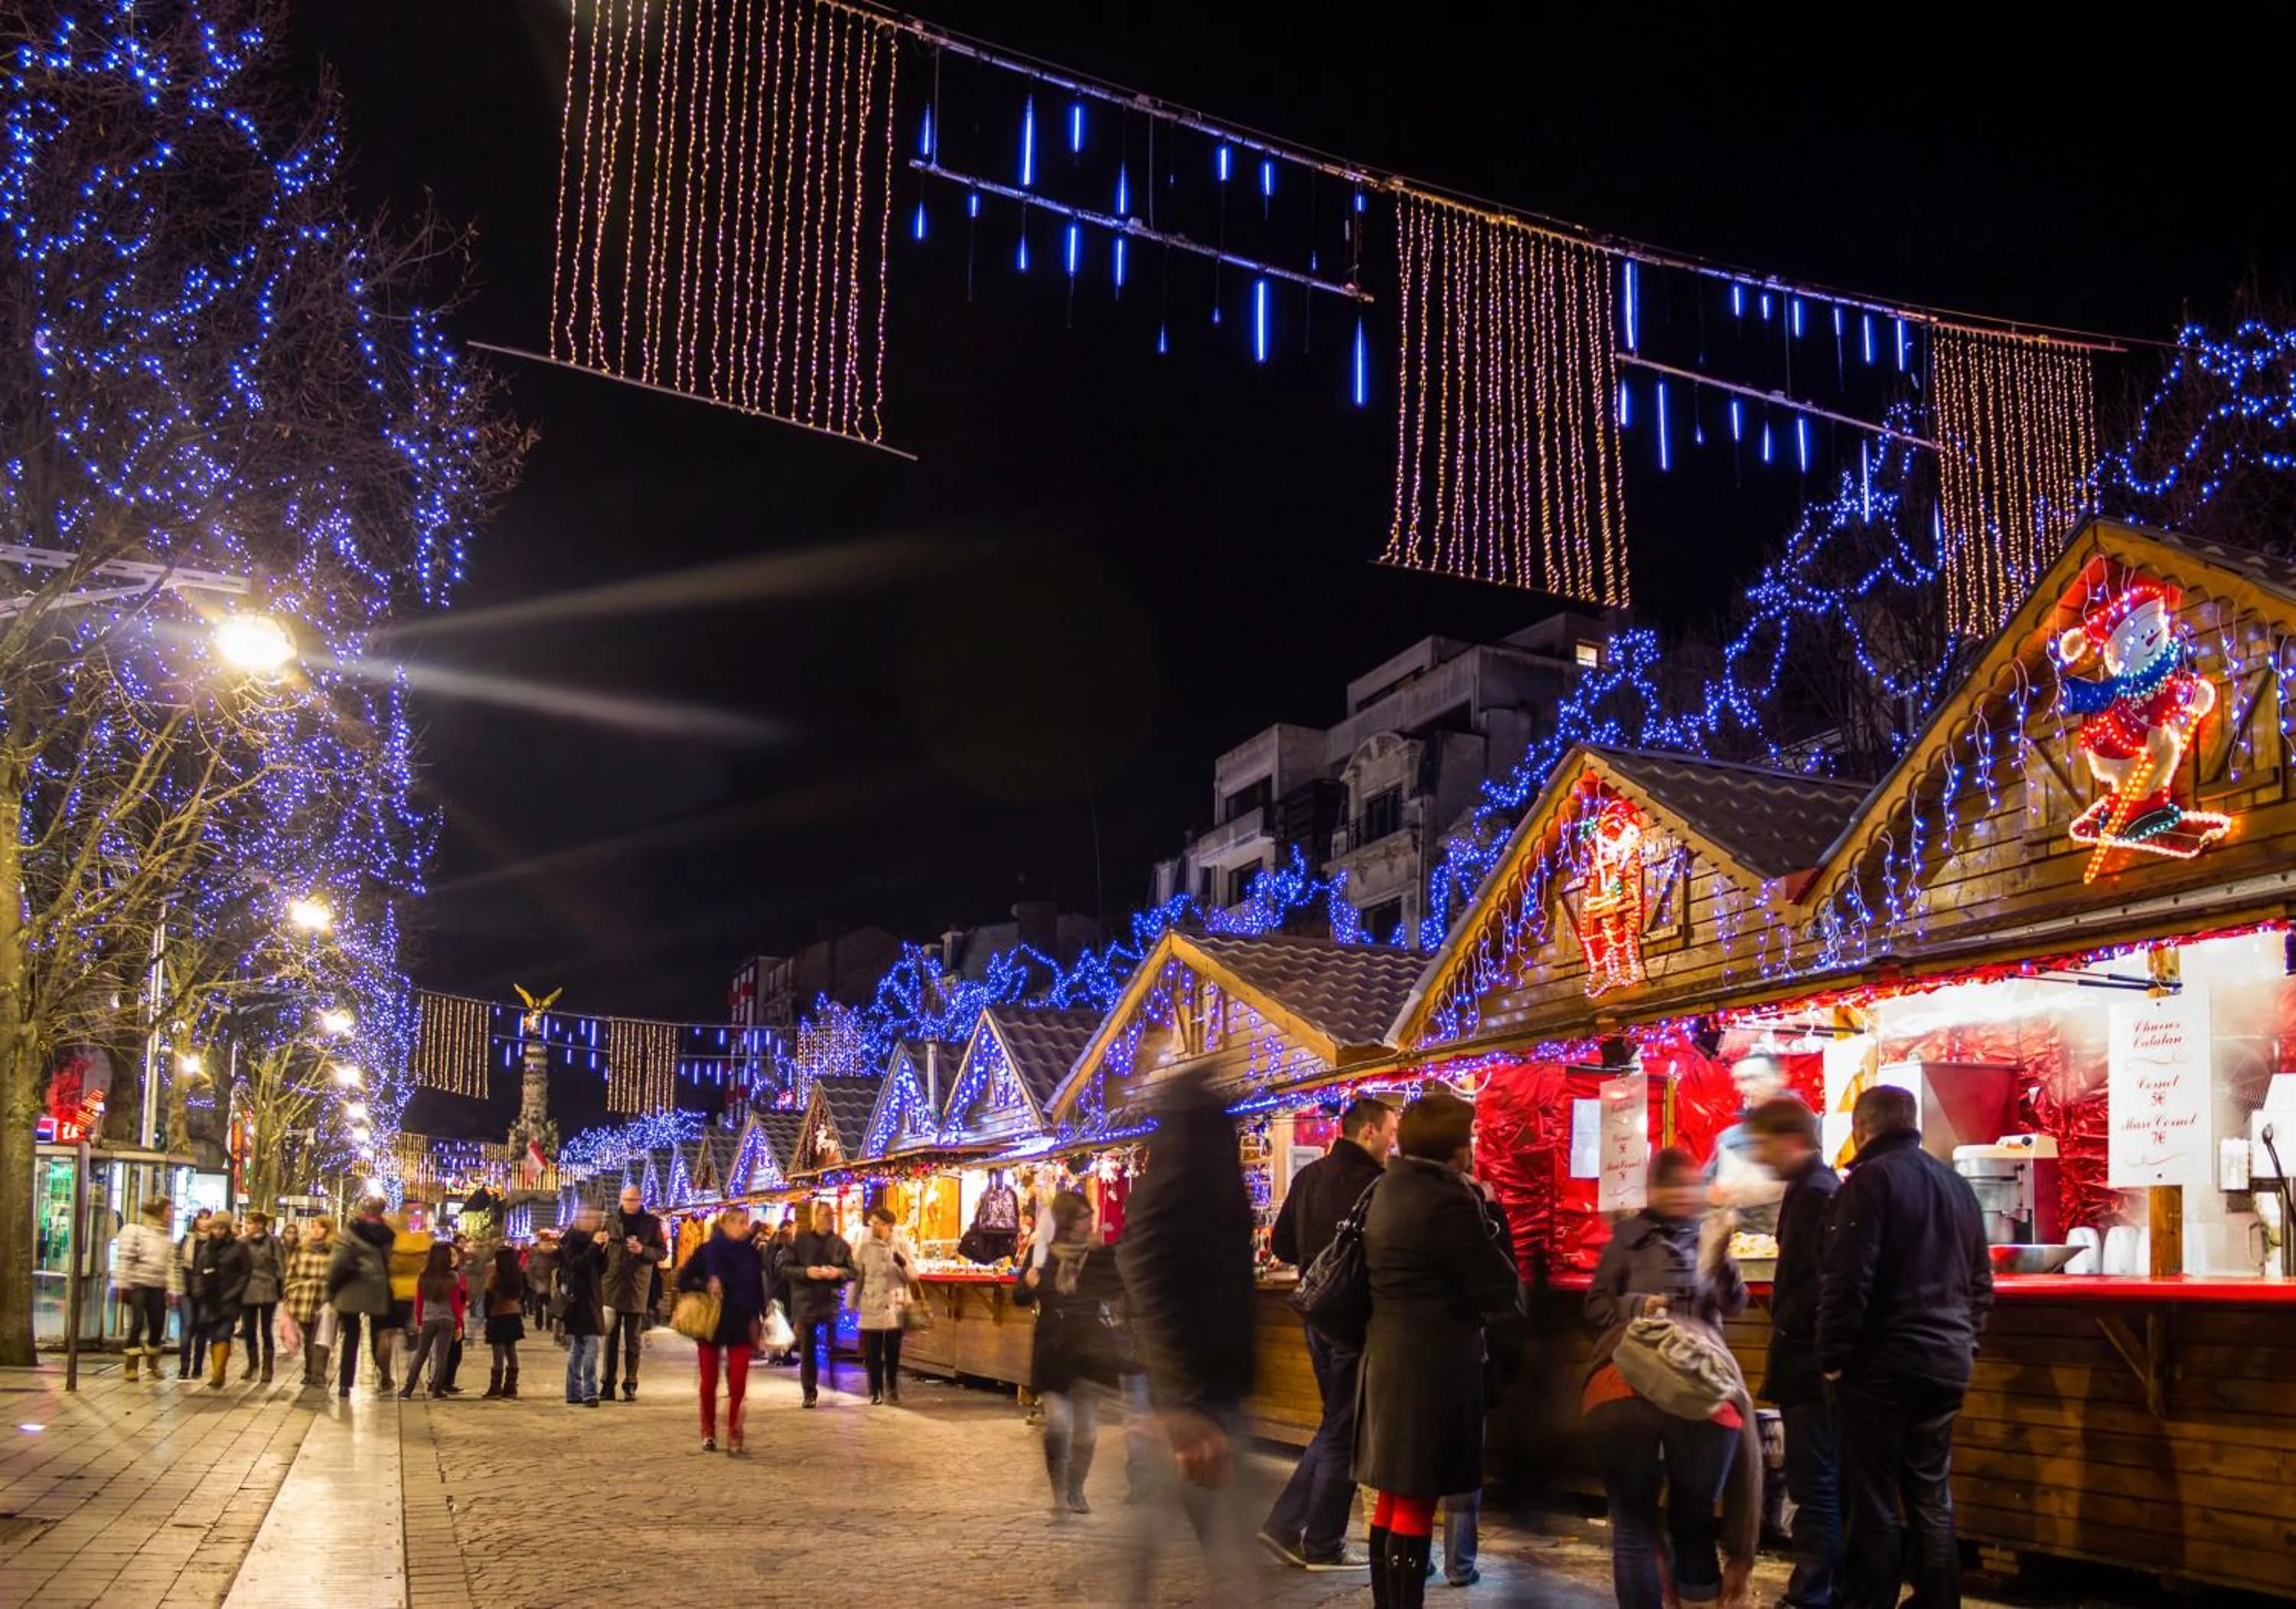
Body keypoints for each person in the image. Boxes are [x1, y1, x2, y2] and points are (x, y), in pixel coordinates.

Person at [1818, 1085, 1993, 1609]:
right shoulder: (1957, 1186)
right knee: (1930, 1494)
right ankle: (1940, 1602)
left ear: (1860, 1130)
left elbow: (1849, 1279)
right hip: (1946, 1363)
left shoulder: (1868, 1183)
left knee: (1870, 1497)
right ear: (1911, 1122)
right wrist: (1967, 1343)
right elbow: (1981, 1283)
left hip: (1882, 1365)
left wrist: (1832, 1358)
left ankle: (1867, 1601)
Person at [1355, 1092, 1523, 1609]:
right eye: (1469, 1139)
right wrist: (1490, 1212)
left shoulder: (1388, 1187)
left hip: (1388, 1356)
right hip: (1431, 1367)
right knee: (1417, 1498)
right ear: (1457, 1149)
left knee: (1393, 1497)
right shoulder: (1446, 1199)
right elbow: (1497, 1286)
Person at [1585, 1148, 1750, 1609]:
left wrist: (1721, 1259)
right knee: (1634, 1523)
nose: (1683, 1195)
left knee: (1692, 1519)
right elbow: (1596, 1307)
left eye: (1690, 1185)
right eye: (1673, 1186)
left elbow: (1734, 1305)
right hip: (1632, 1376)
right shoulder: (1626, 1239)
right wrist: (1639, 1304)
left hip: (1697, 1378)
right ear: (1654, 1190)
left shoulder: (1709, 1237)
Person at [1118, 1066, 1259, 1598]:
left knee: (1211, 1542)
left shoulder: (1190, 1180)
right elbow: (1150, 1274)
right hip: (1192, 1396)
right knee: (1220, 1542)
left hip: (1206, 1388)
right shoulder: (1182, 1182)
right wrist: (1180, 1398)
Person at [1259, 1094, 1397, 1571]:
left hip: (1315, 1315)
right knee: (1343, 1429)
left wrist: (1318, 1268)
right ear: (1368, 1132)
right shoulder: (1377, 1186)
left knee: (1335, 1423)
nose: (1392, 1143)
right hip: (1354, 1323)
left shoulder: (1308, 1176)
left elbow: (1281, 1245)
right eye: (1390, 1133)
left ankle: (1285, 1525)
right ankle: (1321, 1542)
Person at [1749, 1096, 1844, 1609]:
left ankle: (1813, 1592)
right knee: (1820, 1480)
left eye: (1763, 1143)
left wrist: (1789, 1323)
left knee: (1816, 1483)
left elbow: (1818, 1282)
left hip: (1809, 1363)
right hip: (1812, 1359)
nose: (1759, 1155)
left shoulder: (1815, 1193)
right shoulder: (1814, 1188)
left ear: (1789, 1139)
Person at [1014, 1190, 1133, 1516]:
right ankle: (1059, 1494)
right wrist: (1028, 1283)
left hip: (1089, 1347)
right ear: (1067, 1221)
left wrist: (1106, 1258)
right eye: (1083, 1217)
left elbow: (1117, 1289)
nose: (1090, 1223)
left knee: (1087, 1432)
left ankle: (1076, 1487)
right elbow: (1020, 1297)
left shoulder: (1098, 1255)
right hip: (1053, 1346)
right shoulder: (1042, 1254)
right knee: (1058, 1423)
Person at [677, 1204, 768, 1452]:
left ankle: (734, 1430)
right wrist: (706, 1283)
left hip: (741, 1320)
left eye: (744, 1221)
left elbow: (759, 1289)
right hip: (711, 1322)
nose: (741, 1226)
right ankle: (708, 1430)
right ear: (725, 1224)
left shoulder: (752, 1255)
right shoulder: (708, 1251)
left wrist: (760, 1318)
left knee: (738, 1381)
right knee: (709, 1381)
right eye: (736, 1221)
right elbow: (683, 1280)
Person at [1706, 1055, 1791, 1235]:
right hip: (1746, 1247)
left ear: (1780, 1078)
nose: (1743, 1087)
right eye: (1739, 1080)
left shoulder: (1813, 1130)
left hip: (1798, 1246)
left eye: (1753, 1078)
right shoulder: (1730, 1139)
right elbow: (1706, 1188)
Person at [599, 1184, 667, 1402]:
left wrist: (642, 1250)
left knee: (633, 1340)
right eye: (626, 1200)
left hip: (637, 1287)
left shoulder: (651, 1223)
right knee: (610, 1338)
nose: (629, 1204)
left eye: (633, 1200)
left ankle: (630, 1383)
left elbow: (662, 1252)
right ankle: (607, 1384)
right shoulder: (609, 1222)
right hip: (611, 1286)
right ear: (620, 1200)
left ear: (640, 1201)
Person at [784, 1201, 854, 1407]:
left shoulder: (840, 1243)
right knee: (808, 1349)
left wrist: (838, 1273)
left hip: (829, 1301)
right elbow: (785, 1268)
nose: (828, 1220)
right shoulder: (801, 1241)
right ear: (816, 1217)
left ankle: (833, 1380)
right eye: (824, 1216)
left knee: (833, 1346)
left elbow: (853, 1271)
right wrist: (805, 1272)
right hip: (806, 1302)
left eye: (830, 1216)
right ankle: (809, 1391)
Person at [327, 1196, 399, 1395]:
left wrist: (331, 1289)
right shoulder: (389, 1234)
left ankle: (344, 1385)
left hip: (350, 1290)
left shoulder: (350, 1230)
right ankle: (383, 1376)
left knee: (351, 1338)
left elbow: (337, 1261)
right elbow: (393, 1262)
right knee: (378, 1335)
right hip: (377, 1288)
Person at [848, 1204, 913, 1405]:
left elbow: (913, 1276)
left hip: (895, 1304)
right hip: (872, 1303)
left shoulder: (901, 1245)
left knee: (893, 1351)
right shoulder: (865, 1247)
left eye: (876, 1223)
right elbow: (857, 1276)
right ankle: (875, 1390)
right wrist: (852, 1300)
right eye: (872, 1222)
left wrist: (903, 1264)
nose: (872, 1226)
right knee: (873, 1352)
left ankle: (892, 1386)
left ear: (887, 1226)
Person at [188, 1210, 253, 1390]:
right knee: (213, 1334)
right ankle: (217, 1370)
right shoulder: (207, 1248)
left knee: (223, 1334)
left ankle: (218, 1372)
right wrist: (199, 1291)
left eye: (222, 1228)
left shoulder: (238, 1248)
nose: (218, 1231)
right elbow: (198, 1272)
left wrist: (234, 1293)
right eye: (215, 1227)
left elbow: (245, 1273)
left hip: (229, 1299)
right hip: (209, 1298)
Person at [114, 1196, 175, 1383]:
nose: (170, 1215)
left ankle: (152, 1362)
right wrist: (122, 1284)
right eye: (168, 1211)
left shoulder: (166, 1237)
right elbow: (126, 1258)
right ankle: (131, 1366)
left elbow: (170, 1265)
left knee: (157, 1324)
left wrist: (172, 1288)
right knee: (138, 1322)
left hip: (158, 1286)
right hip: (138, 1284)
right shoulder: (137, 1232)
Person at [556, 1206, 607, 1406]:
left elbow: (601, 1269)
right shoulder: (570, 1241)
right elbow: (578, 1265)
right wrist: (594, 1246)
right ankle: (589, 1393)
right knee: (591, 1347)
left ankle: (574, 1392)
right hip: (578, 1300)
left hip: (591, 1298)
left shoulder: (587, 1239)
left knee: (578, 1348)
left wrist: (602, 1250)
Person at [403, 1243, 464, 1399]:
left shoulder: (423, 1276)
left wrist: (419, 1321)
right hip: (447, 1320)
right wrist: (458, 1324)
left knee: (421, 1355)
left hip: (428, 1319)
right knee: (442, 1356)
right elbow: (456, 1304)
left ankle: (407, 1389)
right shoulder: (454, 1277)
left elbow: (419, 1301)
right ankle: (437, 1391)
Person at [283, 1216, 336, 1389]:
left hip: (324, 1299)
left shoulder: (333, 1250)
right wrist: (289, 1294)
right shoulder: (301, 1249)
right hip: (303, 1299)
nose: (316, 1230)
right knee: (308, 1338)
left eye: (320, 1227)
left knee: (321, 1338)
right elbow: (290, 1274)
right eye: (314, 1227)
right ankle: (309, 1371)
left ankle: (318, 1373)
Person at [238, 1211, 284, 1384]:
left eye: (250, 1223)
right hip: (247, 1289)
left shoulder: (273, 1242)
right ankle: (252, 1364)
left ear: (260, 1225)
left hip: (267, 1289)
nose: (247, 1226)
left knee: (266, 1330)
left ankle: (268, 1367)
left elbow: (280, 1265)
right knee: (249, 1329)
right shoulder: (242, 1242)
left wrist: (282, 1287)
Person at [481, 1246, 526, 1398]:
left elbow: (488, 1298)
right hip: (513, 1315)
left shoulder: (495, 1277)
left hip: (498, 1314)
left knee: (498, 1352)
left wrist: (486, 1316)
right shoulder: (517, 1276)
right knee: (511, 1349)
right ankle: (511, 1386)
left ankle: (495, 1386)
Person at [174, 1207, 213, 1380]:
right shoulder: (187, 1240)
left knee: (202, 1329)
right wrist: (176, 1287)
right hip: (187, 1290)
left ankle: (197, 1367)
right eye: (201, 1218)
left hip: (205, 1292)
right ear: (195, 1221)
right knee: (187, 1326)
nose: (204, 1222)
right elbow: (177, 1263)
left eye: (207, 1218)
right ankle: (184, 1367)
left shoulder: (214, 1242)